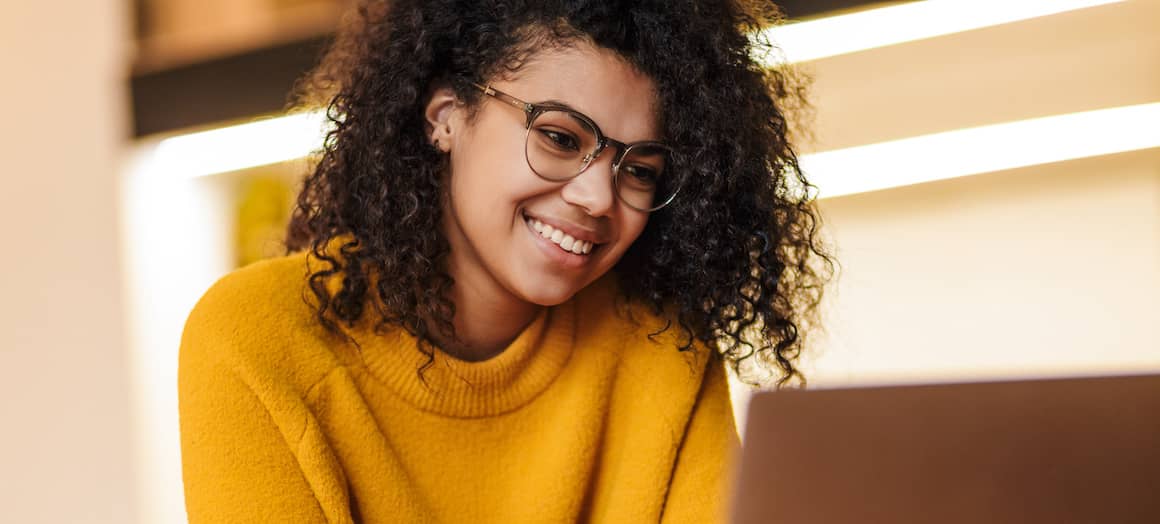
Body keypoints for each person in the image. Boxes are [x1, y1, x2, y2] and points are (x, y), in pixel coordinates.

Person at [177, 0, 832, 522]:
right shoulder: (256, 341)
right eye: (558, 137)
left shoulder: (664, 352)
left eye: (639, 171)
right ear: (445, 117)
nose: (598, 196)